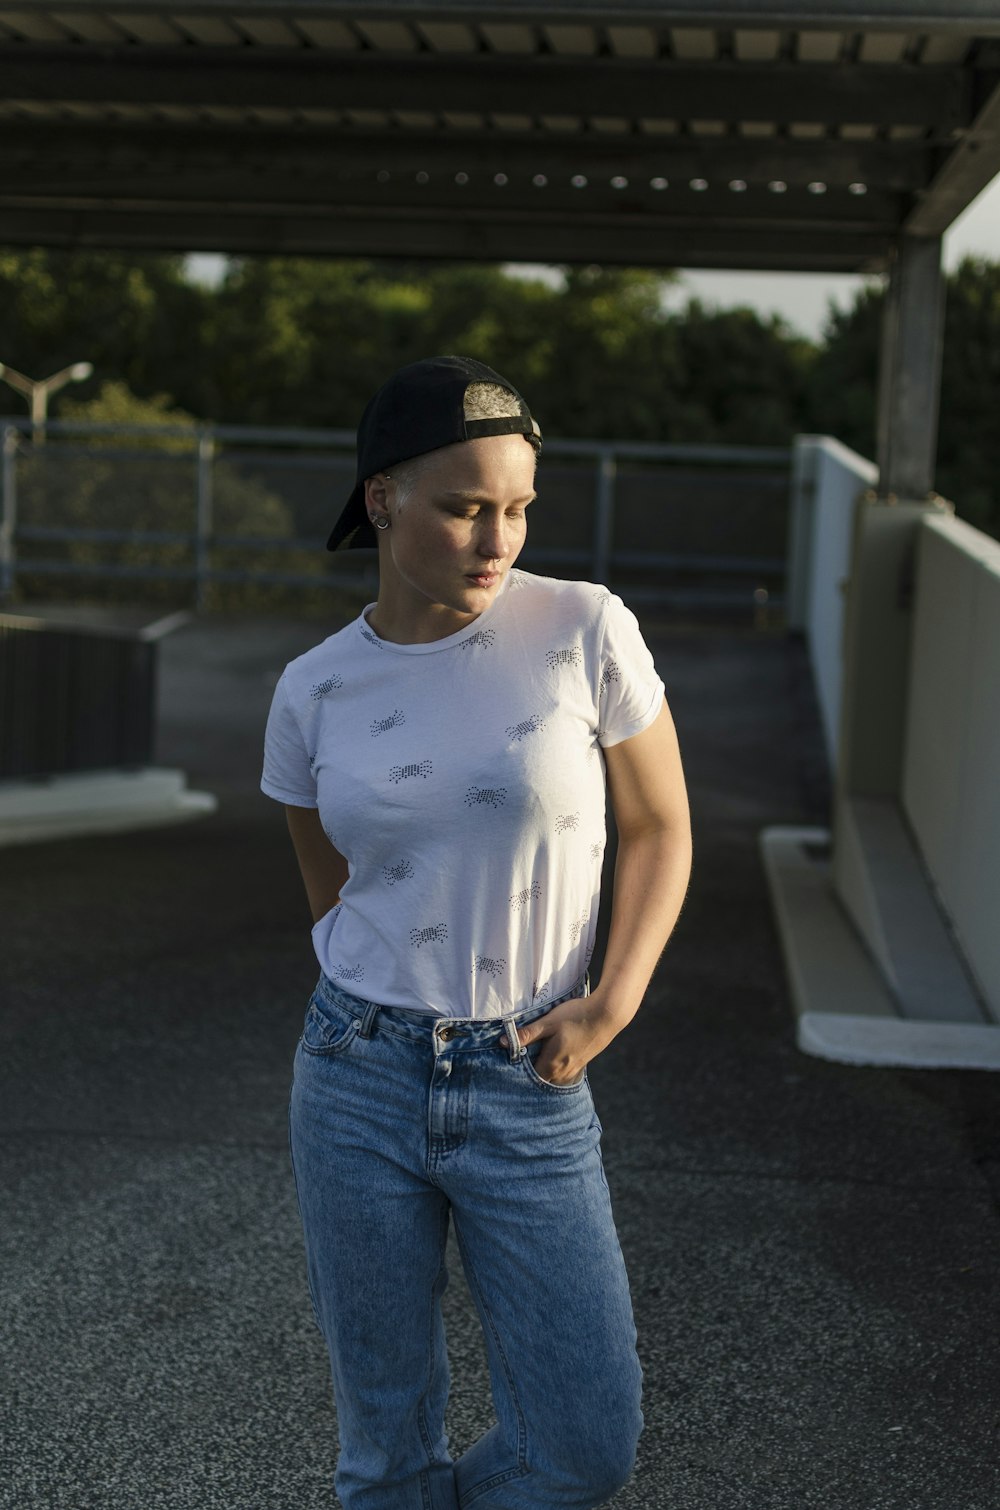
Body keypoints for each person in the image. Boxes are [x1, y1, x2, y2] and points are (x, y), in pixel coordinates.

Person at [261, 355, 692, 1509]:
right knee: (384, 1454)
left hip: (526, 1071)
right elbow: (332, 893)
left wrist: (615, 996)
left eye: (515, 509)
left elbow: (659, 827)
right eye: (463, 507)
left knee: (582, 1444)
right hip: (356, 1074)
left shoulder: (583, 629)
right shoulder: (313, 690)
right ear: (381, 497)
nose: (495, 538)